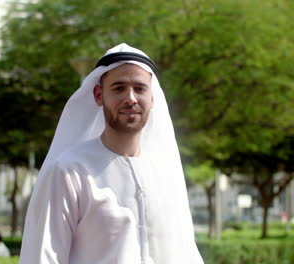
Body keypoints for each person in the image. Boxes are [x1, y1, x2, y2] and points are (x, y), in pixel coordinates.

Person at [20, 43, 203, 264]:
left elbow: (184, 252)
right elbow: (44, 257)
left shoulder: (165, 172)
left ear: (152, 98)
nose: (131, 98)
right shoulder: (70, 171)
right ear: (98, 95)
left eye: (140, 88)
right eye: (118, 88)